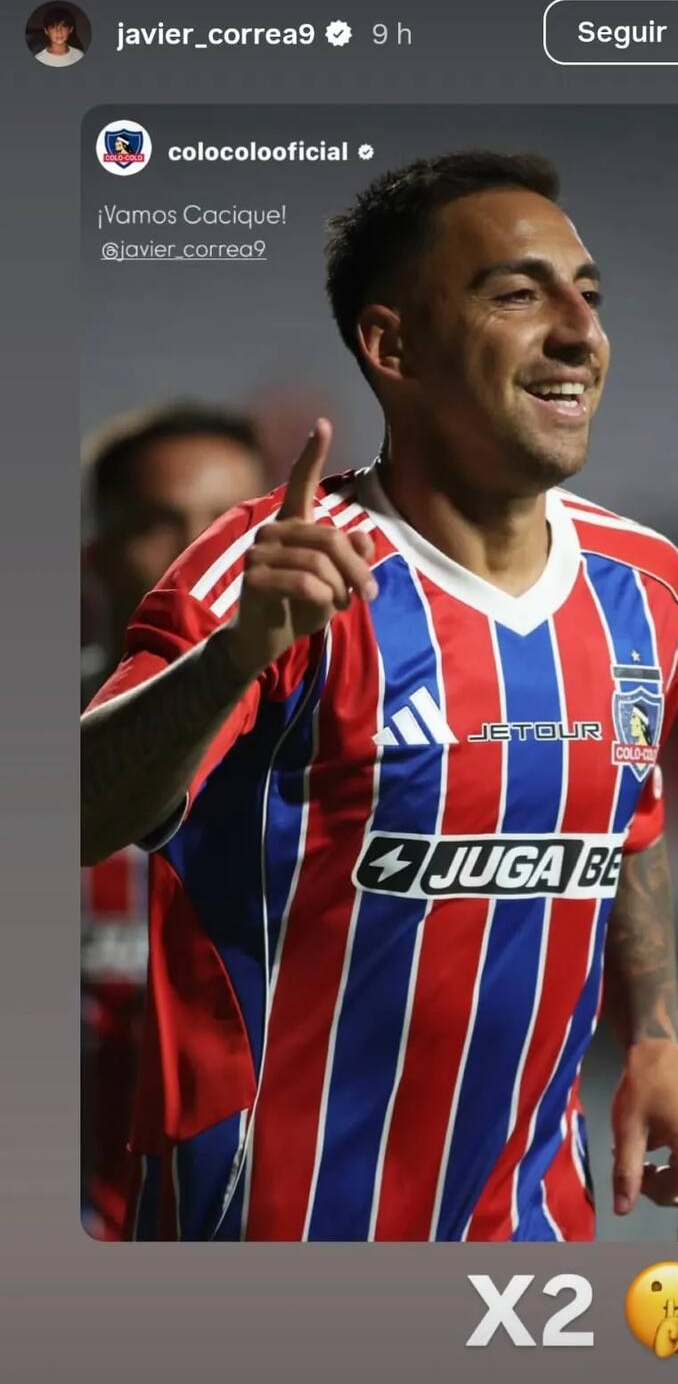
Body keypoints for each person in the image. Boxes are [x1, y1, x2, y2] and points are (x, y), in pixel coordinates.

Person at [81, 151, 678, 1243]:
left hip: (526, 1235)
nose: (580, 330)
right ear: (392, 346)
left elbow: (631, 824)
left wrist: (657, 1038)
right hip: (267, 1239)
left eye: (589, 294)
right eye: (518, 294)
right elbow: (80, 810)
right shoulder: (270, 567)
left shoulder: (646, 584)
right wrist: (232, 660)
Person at [81, 402, 267, 1239]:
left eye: (230, 526)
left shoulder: (343, 752)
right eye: (161, 524)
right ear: (96, 556)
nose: (200, 556)